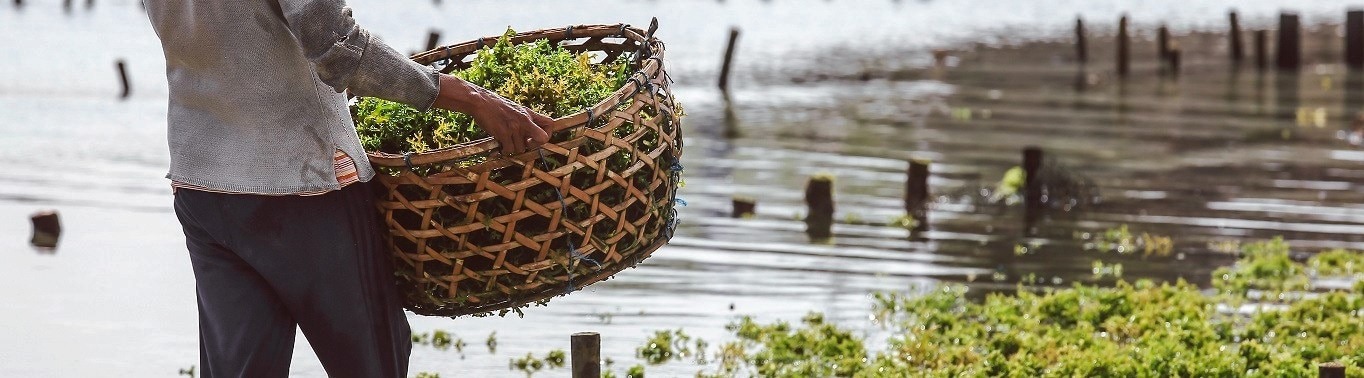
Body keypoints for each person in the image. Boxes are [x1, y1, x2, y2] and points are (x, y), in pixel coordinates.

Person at [144, 1, 551, 376]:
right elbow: (339, 49)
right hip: (304, 185)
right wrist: (475, 99)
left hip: (202, 182)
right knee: (373, 364)